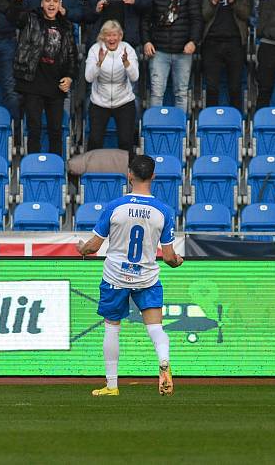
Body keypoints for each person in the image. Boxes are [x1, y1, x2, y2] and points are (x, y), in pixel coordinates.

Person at [76, 154, 184, 397]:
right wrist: (178, 261)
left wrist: (82, 248)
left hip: (115, 276)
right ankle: (164, 361)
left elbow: (93, 247)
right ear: (153, 176)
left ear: (129, 174)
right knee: (155, 328)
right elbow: (168, 257)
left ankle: (112, 386)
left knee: (112, 328)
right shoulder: (163, 211)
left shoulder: (116, 207)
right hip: (147, 277)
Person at [13, 0, 77, 155]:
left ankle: (55, 167)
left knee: (56, 130)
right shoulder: (31, 18)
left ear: (60, 5)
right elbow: (14, 16)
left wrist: (69, 77)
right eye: (48, 0)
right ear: (42, 3)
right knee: (34, 129)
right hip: (32, 82)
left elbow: (72, 55)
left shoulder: (66, 25)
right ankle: (34, 166)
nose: (51, 4)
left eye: (55, 1)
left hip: (56, 85)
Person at [142, 0, 201, 110]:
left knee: (181, 93)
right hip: (159, 52)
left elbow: (197, 20)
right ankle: (155, 129)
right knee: (156, 93)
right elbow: (145, 21)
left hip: (183, 52)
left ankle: (180, 131)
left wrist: (193, 41)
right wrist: (146, 41)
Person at [200, 0, 251, 110]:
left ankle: (236, 125)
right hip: (212, 42)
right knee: (212, 88)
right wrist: (214, 3)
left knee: (235, 87)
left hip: (235, 42)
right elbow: (204, 16)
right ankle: (210, 124)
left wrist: (232, 1)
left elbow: (247, 15)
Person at [85, 20, 139, 154]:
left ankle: (127, 173)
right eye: (108, 35)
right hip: (99, 101)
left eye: (115, 35)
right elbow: (88, 78)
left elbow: (135, 77)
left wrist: (126, 63)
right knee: (95, 141)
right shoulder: (95, 49)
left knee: (126, 141)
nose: (112, 38)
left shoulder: (128, 49)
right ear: (103, 37)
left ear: (120, 36)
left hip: (123, 101)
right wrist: (99, 63)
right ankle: (92, 172)